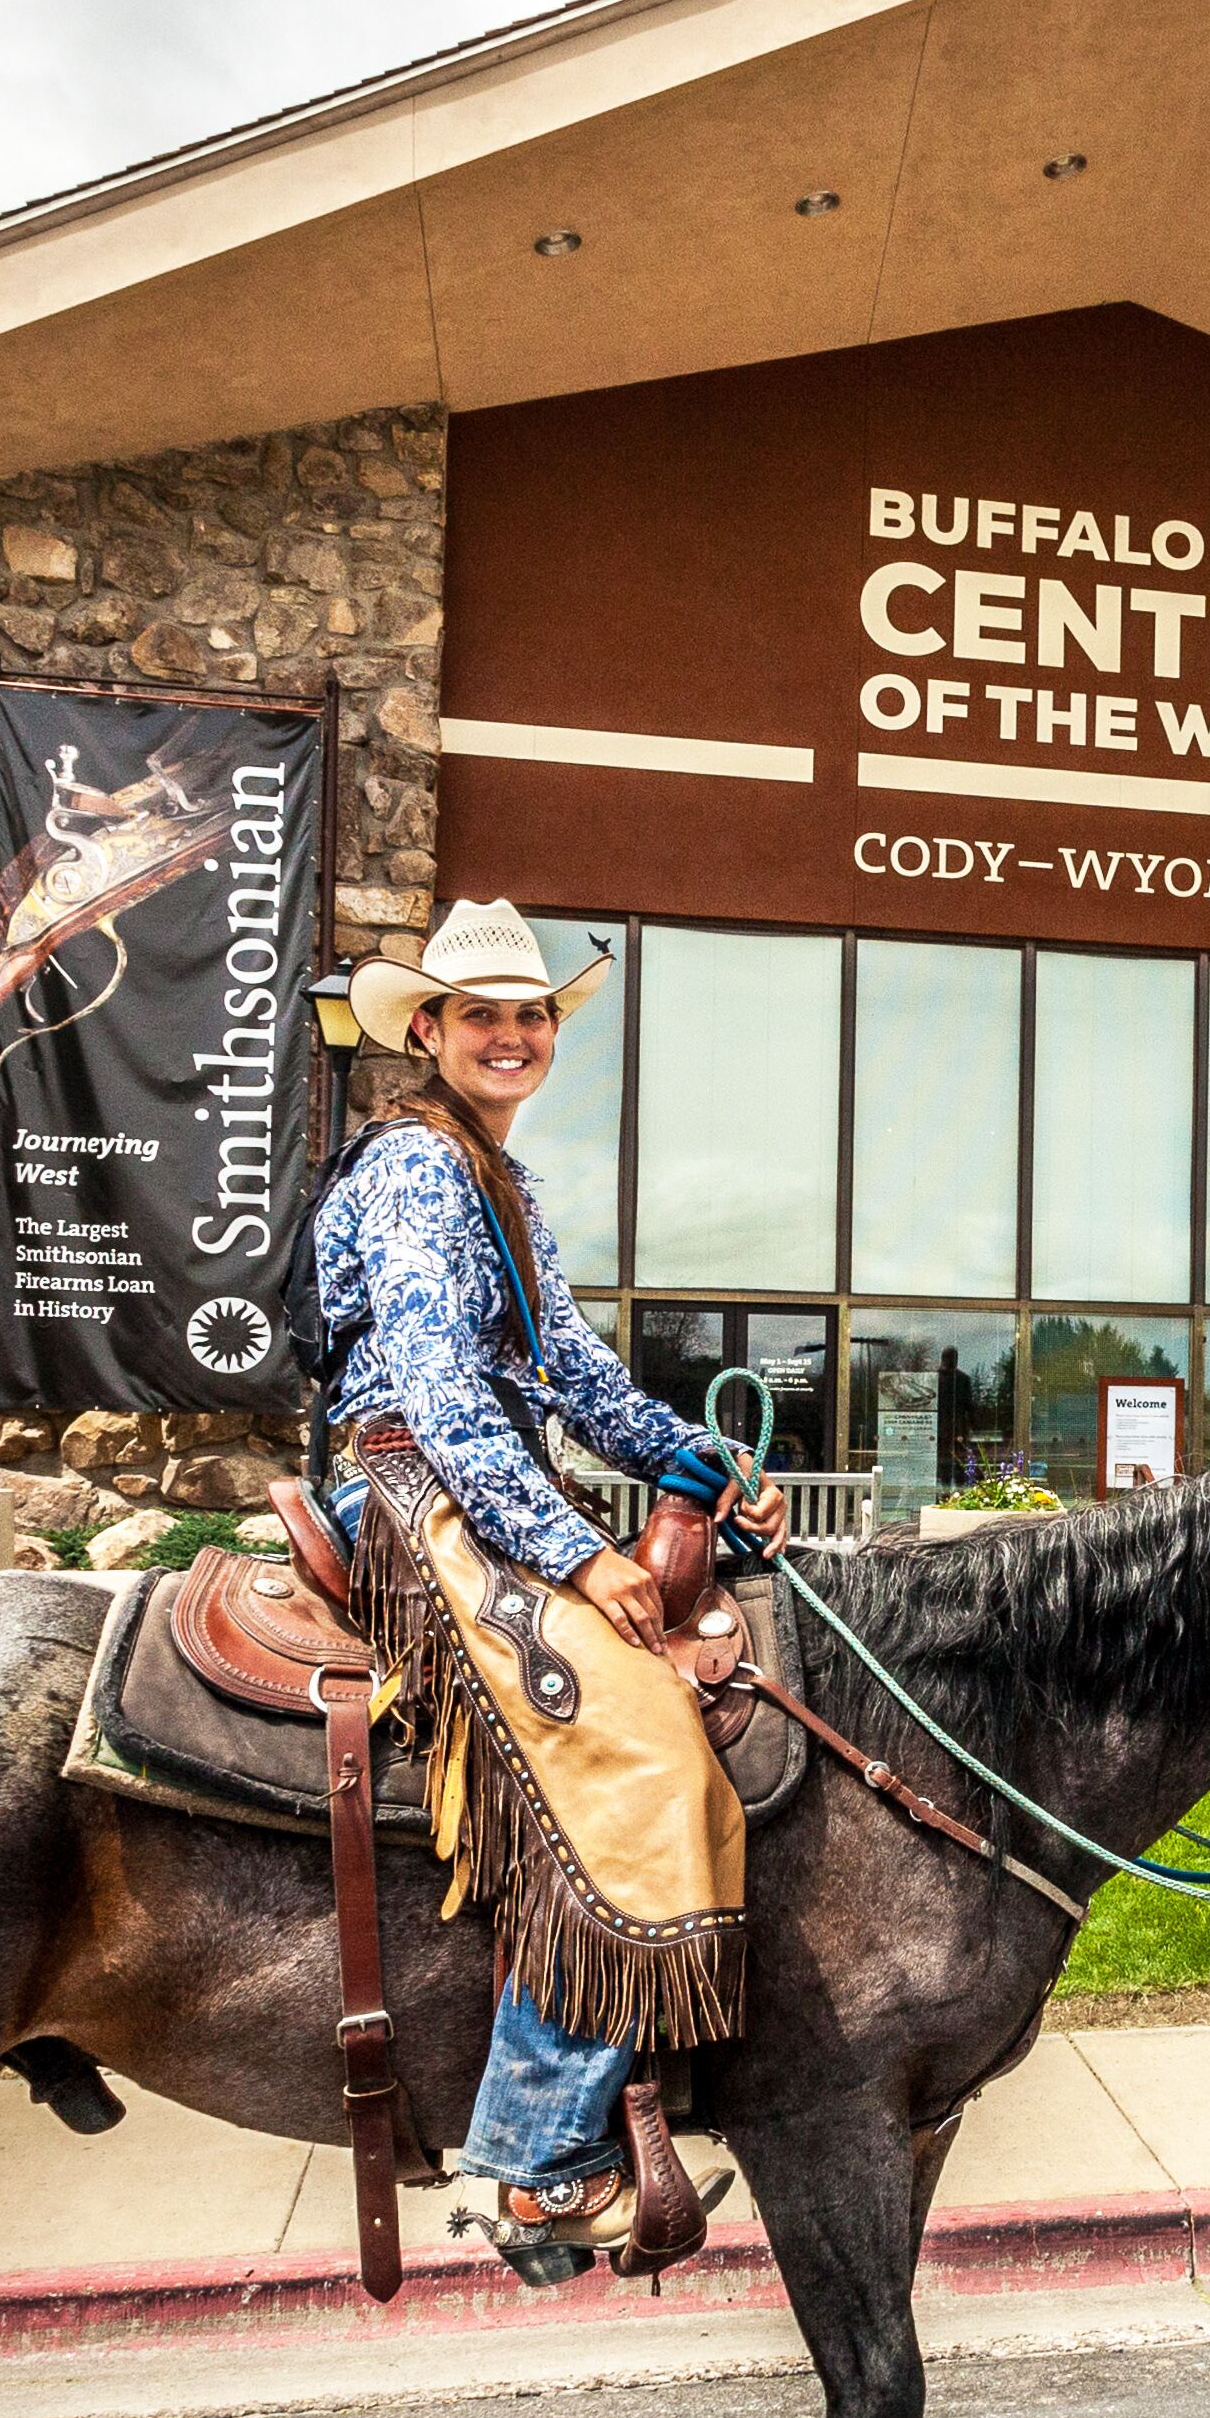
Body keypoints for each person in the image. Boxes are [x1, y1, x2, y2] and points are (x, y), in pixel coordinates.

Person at [311, 901, 761, 2284]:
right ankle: (541, 2162)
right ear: (428, 1030)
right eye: (482, 1015)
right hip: (412, 1485)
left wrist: (703, 1461)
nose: (511, 1036)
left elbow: (573, 1372)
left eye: (531, 1015)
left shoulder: (496, 1174)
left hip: (473, 1476)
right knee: (639, 1748)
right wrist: (573, 1551)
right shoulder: (414, 1166)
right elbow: (443, 1389)